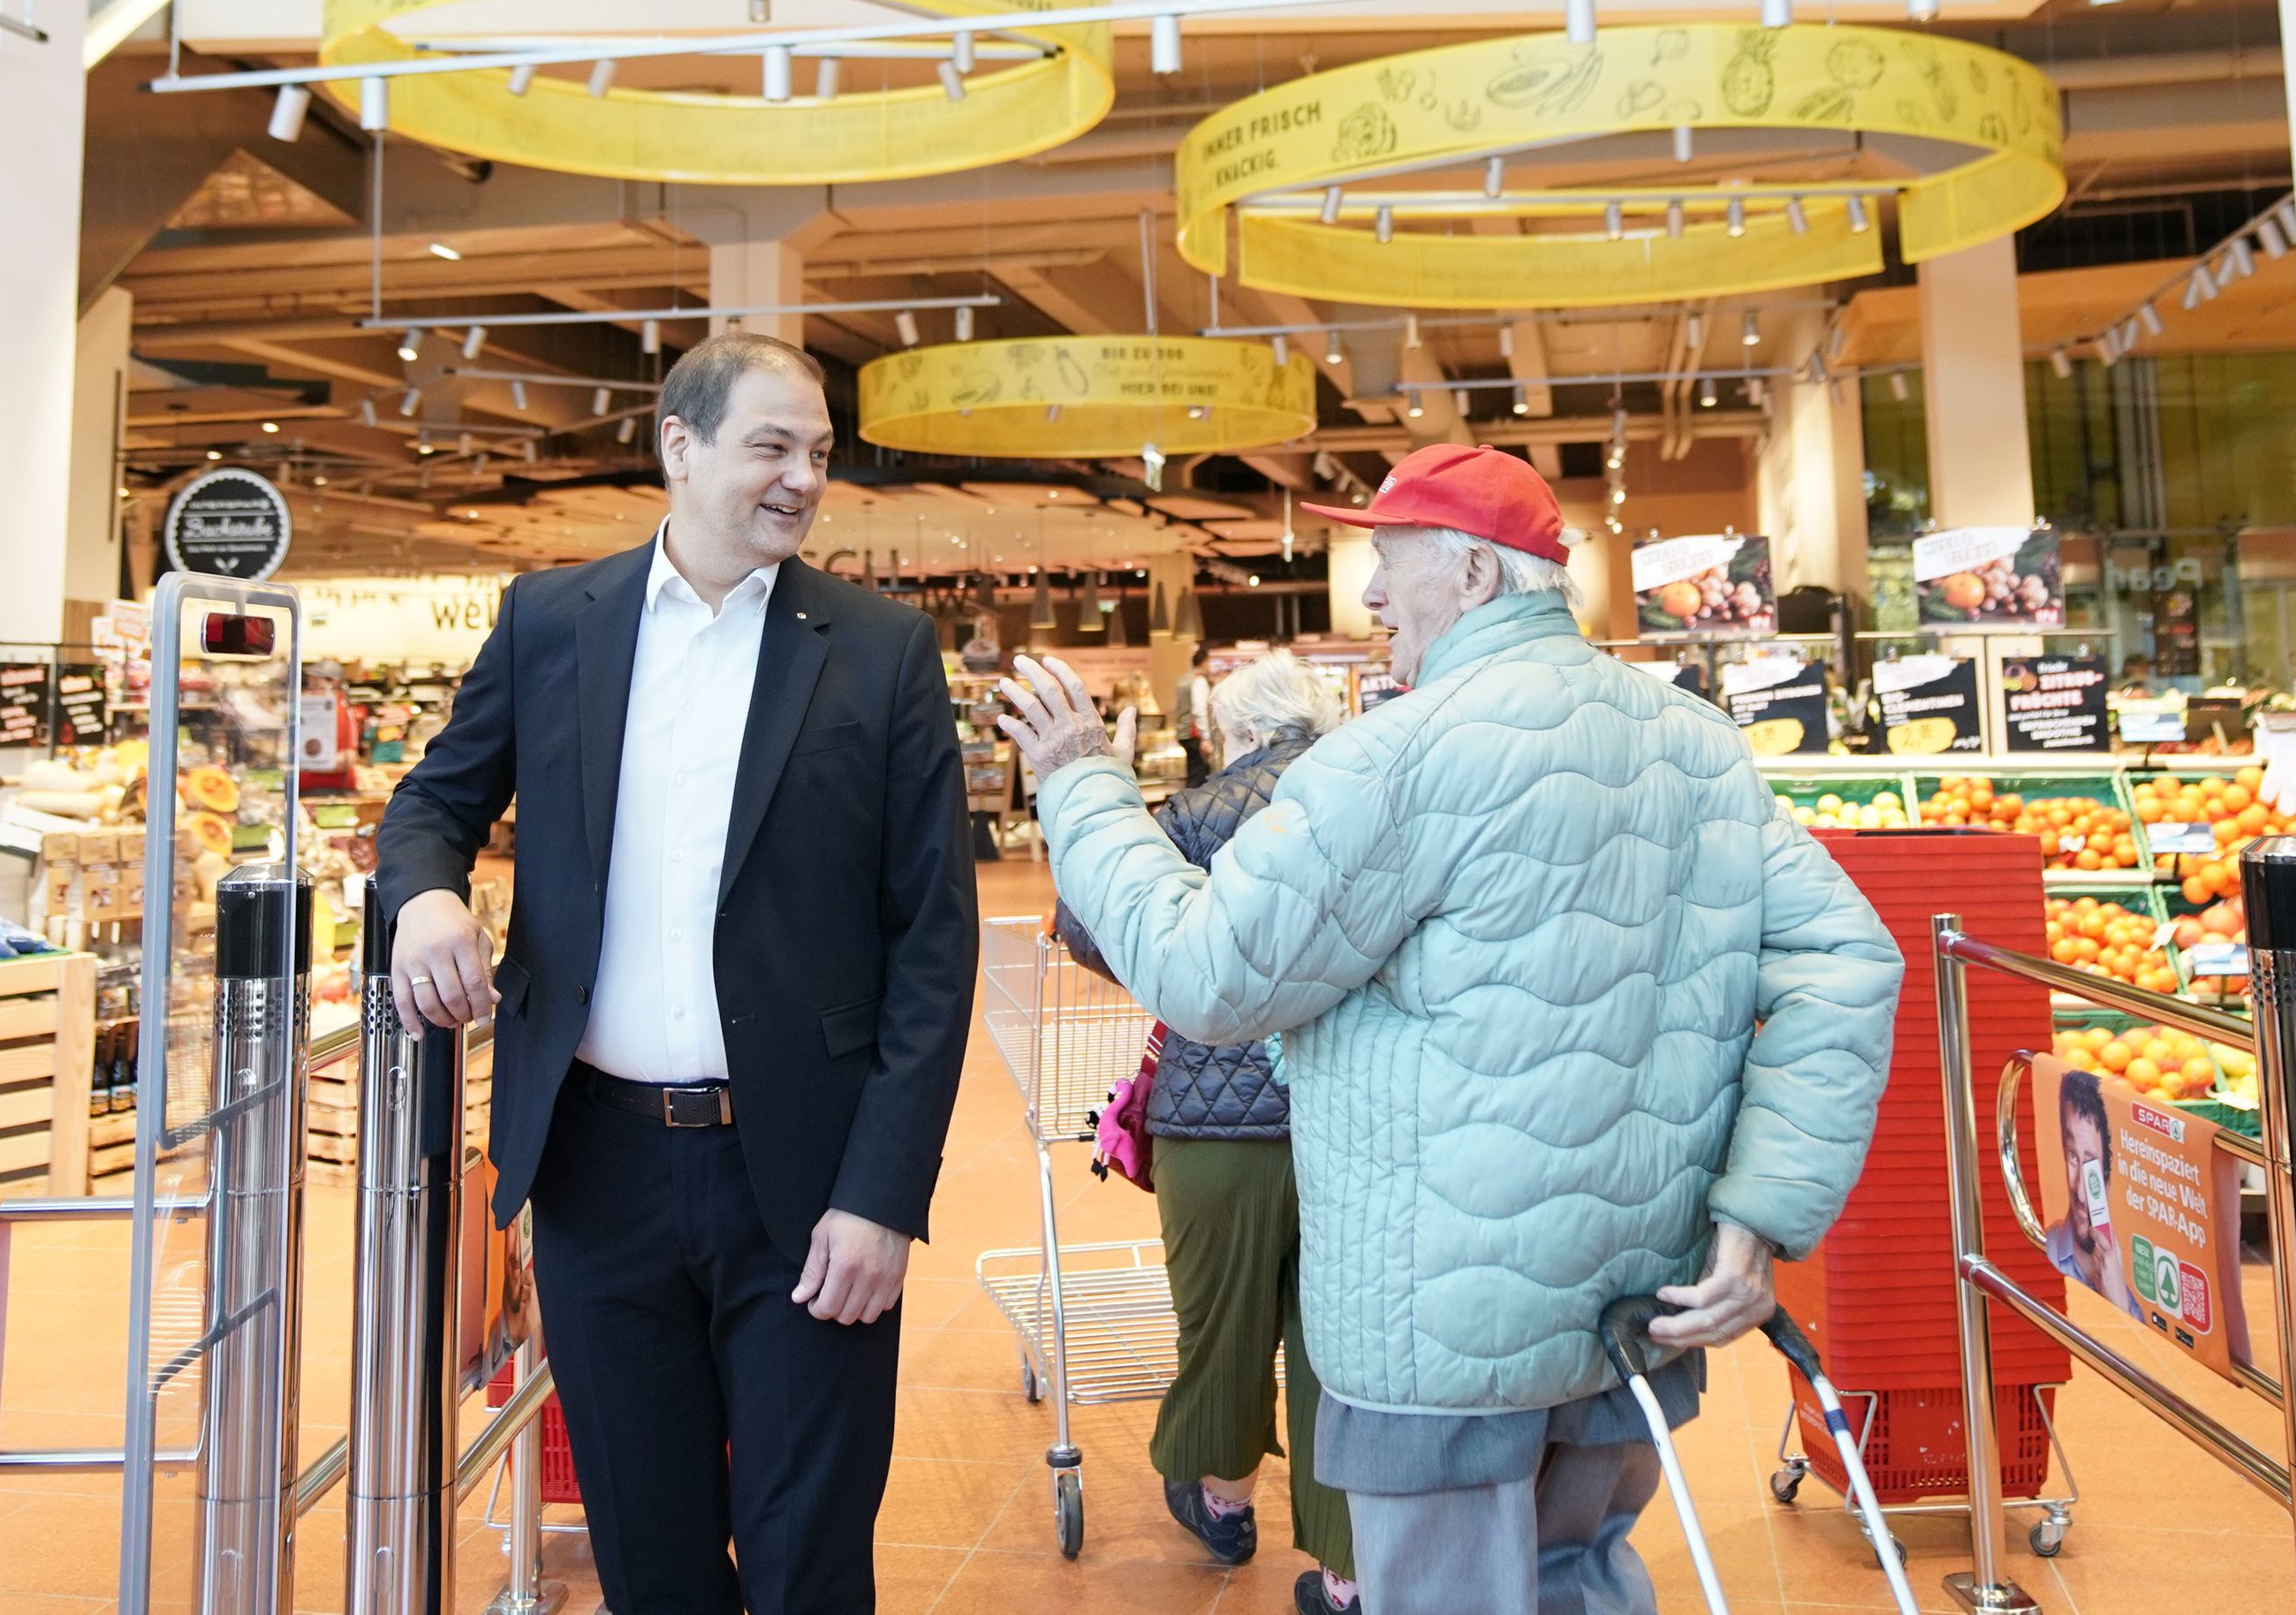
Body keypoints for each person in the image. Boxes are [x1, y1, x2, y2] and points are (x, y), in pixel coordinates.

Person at [997, 443, 1905, 1615]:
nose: (1371, 594)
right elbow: (1849, 954)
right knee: (1582, 1576)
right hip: (1636, 1306)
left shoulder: (1406, 755)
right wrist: (1757, 1217)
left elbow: (1206, 971)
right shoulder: (1697, 745)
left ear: (1472, 573)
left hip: (1439, 1340)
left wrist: (1079, 783)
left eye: (1388, 559)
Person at [375, 330, 979, 1615]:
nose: (802, 477)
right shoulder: (553, 620)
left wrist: (884, 1193)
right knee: (649, 1562)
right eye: (771, 445)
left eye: (817, 452)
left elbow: (934, 939)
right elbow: (432, 800)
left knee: (808, 1559)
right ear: (681, 445)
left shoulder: (878, 648)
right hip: (599, 1177)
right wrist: (424, 893)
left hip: (810, 1188)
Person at [1051, 652, 1360, 1611]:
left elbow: (1085, 920)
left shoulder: (1180, 820)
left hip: (1213, 1122)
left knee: (1221, 1324)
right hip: (1350, 1117)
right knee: (1338, 1345)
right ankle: (1347, 1571)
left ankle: (1224, 1506)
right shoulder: (1369, 795)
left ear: (1230, 730)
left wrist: (1178, 979)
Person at [2048, 1067, 2147, 1322]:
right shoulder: (2041, 1249)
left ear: (2107, 1171)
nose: (2081, 1191)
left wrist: (2119, 1305)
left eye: (2091, 1165)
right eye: (2072, 1155)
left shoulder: (2129, 1287)